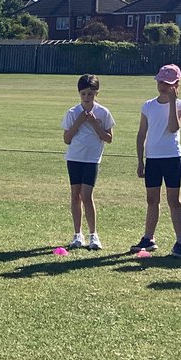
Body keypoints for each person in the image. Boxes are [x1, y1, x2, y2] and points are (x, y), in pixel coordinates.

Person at [131, 64, 181, 255]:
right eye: (161, 82)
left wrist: (172, 102)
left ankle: (180, 241)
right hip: (153, 159)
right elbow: (141, 134)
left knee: (174, 200)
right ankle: (148, 238)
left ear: (177, 84)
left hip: (171, 158)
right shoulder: (148, 106)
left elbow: (173, 127)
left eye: (168, 83)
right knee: (151, 199)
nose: (163, 86)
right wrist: (140, 160)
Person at [62, 73, 115, 249]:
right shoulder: (72, 113)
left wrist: (94, 123)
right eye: (83, 94)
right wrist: (78, 122)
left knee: (86, 195)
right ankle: (78, 234)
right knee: (75, 194)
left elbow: (108, 138)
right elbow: (67, 139)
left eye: (90, 94)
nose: (86, 97)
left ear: (96, 93)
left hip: (92, 159)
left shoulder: (103, 112)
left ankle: (93, 235)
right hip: (74, 158)